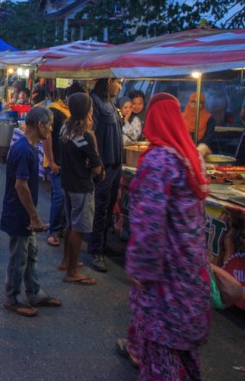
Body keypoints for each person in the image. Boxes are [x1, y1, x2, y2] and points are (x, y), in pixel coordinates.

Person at [117, 93, 210, 380]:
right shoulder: (188, 157)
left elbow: (150, 226)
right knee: (184, 355)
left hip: (166, 281)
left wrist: (139, 270)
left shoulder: (158, 162)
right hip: (191, 276)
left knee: (162, 358)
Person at [0, 106, 61, 317]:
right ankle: (13, 298)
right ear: (40, 125)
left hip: (24, 213)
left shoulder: (30, 146)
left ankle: (34, 292)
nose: (51, 130)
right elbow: (20, 186)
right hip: (18, 213)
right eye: (50, 125)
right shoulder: (25, 149)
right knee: (19, 258)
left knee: (30, 254)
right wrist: (34, 216)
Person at [59, 93, 103, 286]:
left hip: (67, 183)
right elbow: (97, 166)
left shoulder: (65, 128)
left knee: (71, 224)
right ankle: (72, 272)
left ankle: (67, 261)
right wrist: (96, 167)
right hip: (81, 186)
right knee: (78, 228)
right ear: (88, 110)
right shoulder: (85, 134)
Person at [44, 82, 86, 248]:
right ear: (69, 98)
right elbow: (47, 137)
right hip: (56, 162)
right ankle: (53, 231)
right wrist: (51, 161)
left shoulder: (76, 114)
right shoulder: (55, 110)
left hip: (69, 163)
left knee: (65, 197)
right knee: (60, 196)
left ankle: (59, 227)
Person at [89, 78, 123, 273]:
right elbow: (91, 132)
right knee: (101, 207)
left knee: (109, 205)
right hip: (105, 164)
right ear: (109, 81)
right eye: (118, 82)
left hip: (116, 162)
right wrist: (97, 162)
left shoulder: (110, 101)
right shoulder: (95, 101)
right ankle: (96, 251)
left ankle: (103, 244)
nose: (119, 86)